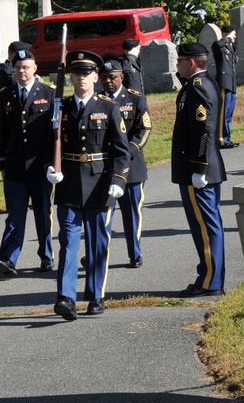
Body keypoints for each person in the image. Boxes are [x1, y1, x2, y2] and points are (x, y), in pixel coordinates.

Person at [45, 51, 130, 320]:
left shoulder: (108, 108)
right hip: (69, 183)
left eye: (86, 73)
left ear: (96, 77)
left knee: (96, 244)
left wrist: (119, 179)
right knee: (68, 241)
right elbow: (50, 144)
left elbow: (121, 150)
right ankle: (66, 297)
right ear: (70, 77)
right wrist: (51, 168)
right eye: (76, 73)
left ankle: (95, 295)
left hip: (99, 184)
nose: (81, 78)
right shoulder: (61, 107)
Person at [171, 42, 227, 298]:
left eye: (180, 61)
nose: (177, 65)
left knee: (206, 226)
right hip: (201, 168)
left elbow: (204, 130)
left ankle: (210, 282)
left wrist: (199, 167)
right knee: (206, 225)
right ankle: (208, 276)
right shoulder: (202, 84)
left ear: (191, 62)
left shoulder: (198, 88)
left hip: (200, 170)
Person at [0, 49, 55, 276]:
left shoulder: (48, 93)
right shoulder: (7, 94)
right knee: (15, 216)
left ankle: (46, 256)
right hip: (15, 167)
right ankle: (8, 259)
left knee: (43, 214)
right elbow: (4, 131)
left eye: (26, 67)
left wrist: (52, 163)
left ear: (35, 69)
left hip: (40, 167)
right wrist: (2, 163)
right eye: (19, 67)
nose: (22, 71)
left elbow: (53, 133)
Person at [99, 59, 151, 268]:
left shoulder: (135, 99)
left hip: (131, 167)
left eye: (112, 77)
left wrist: (130, 150)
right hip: (103, 168)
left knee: (131, 215)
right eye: (104, 78)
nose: (108, 81)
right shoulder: (97, 100)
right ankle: (99, 253)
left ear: (122, 76)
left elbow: (144, 129)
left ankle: (134, 254)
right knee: (102, 216)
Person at [212, 25, 239, 149]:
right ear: (226, 34)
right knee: (224, 112)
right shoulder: (220, 47)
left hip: (231, 83)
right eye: (233, 34)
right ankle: (221, 139)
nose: (234, 37)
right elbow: (216, 46)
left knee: (229, 113)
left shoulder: (231, 48)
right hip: (224, 83)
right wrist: (227, 38)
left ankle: (226, 138)